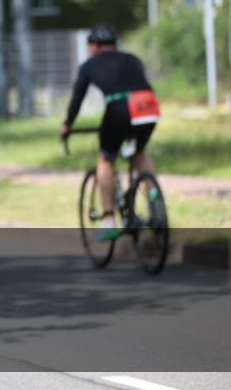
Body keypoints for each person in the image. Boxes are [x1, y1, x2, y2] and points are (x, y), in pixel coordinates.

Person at [60, 23, 160, 240]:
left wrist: (67, 124)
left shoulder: (89, 65)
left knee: (106, 159)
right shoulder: (133, 59)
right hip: (148, 106)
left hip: (119, 108)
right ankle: (153, 195)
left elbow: (77, 98)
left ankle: (108, 219)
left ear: (93, 46)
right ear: (115, 44)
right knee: (139, 151)